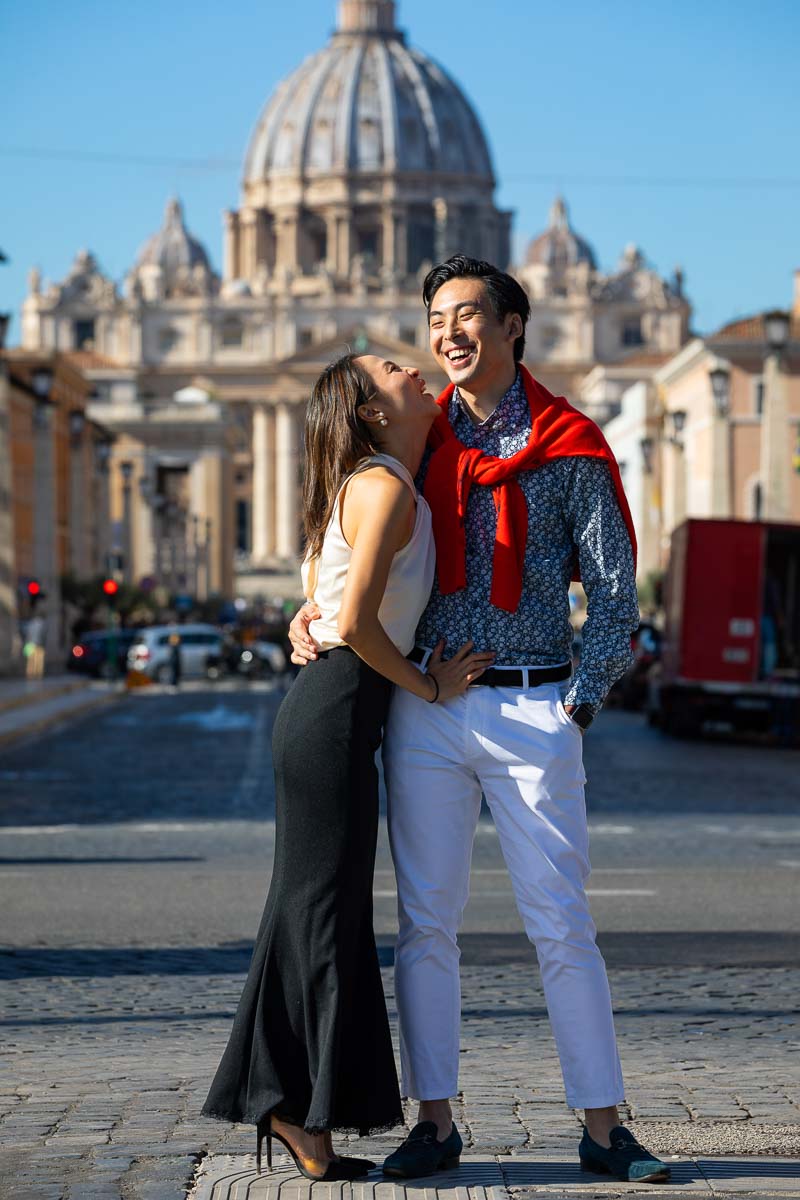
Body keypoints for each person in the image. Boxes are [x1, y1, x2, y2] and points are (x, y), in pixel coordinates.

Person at [289, 257, 671, 1185]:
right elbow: (348, 535)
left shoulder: (573, 442)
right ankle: (434, 1122)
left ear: (511, 327)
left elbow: (615, 594)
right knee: (425, 925)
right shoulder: (417, 438)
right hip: (427, 712)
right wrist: (307, 614)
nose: (448, 333)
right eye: (435, 319)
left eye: (466, 315)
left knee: (561, 924)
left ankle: (605, 1128)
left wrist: (577, 703)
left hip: (536, 702)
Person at [203, 352, 493, 1181]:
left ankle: (294, 1105)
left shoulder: (371, 479)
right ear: (370, 409)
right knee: (322, 917)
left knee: (311, 913)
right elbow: (362, 623)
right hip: (337, 711)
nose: (418, 364)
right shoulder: (386, 486)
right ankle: (296, 1108)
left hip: (331, 714)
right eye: (397, 367)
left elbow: (333, 599)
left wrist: (314, 616)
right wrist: (429, 686)